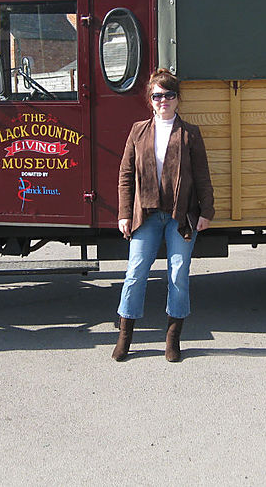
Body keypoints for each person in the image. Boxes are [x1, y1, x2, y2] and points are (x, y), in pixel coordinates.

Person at [113, 69, 215, 362]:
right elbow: (125, 174)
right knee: (134, 274)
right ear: (151, 100)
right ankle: (125, 337)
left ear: (177, 99)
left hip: (180, 217)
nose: (164, 100)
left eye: (169, 95)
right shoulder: (138, 131)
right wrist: (123, 213)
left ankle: (172, 340)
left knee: (178, 275)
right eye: (158, 95)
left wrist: (206, 211)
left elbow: (202, 176)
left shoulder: (190, 134)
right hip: (145, 214)